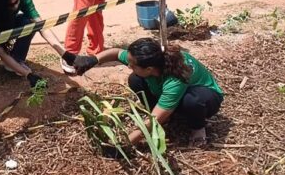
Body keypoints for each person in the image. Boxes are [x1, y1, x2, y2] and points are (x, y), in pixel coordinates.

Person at [74, 38, 223, 148]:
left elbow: (154, 120)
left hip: (206, 98)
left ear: (149, 69)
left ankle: (198, 129)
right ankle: (164, 115)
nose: (129, 66)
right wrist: (93, 60)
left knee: (192, 101)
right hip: (171, 92)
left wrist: (125, 143)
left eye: (132, 65)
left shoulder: (175, 80)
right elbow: (117, 53)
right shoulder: (151, 58)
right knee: (135, 79)